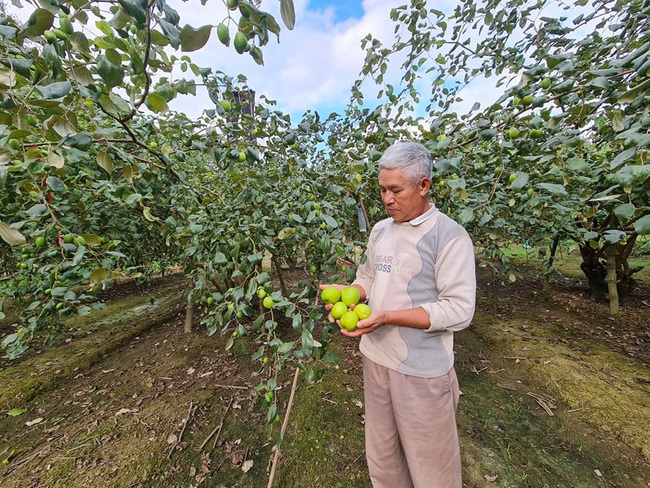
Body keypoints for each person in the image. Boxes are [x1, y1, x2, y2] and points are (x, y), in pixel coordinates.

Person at [321, 141, 476, 488]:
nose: (387, 199)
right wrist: (348, 295)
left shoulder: (449, 236)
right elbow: (369, 277)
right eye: (382, 190)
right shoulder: (381, 230)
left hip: (421, 370)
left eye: (395, 190)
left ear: (423, 186)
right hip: (376, 358)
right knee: (384, 457)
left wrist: (388, 316)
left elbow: (460, 309)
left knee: (432, 467)